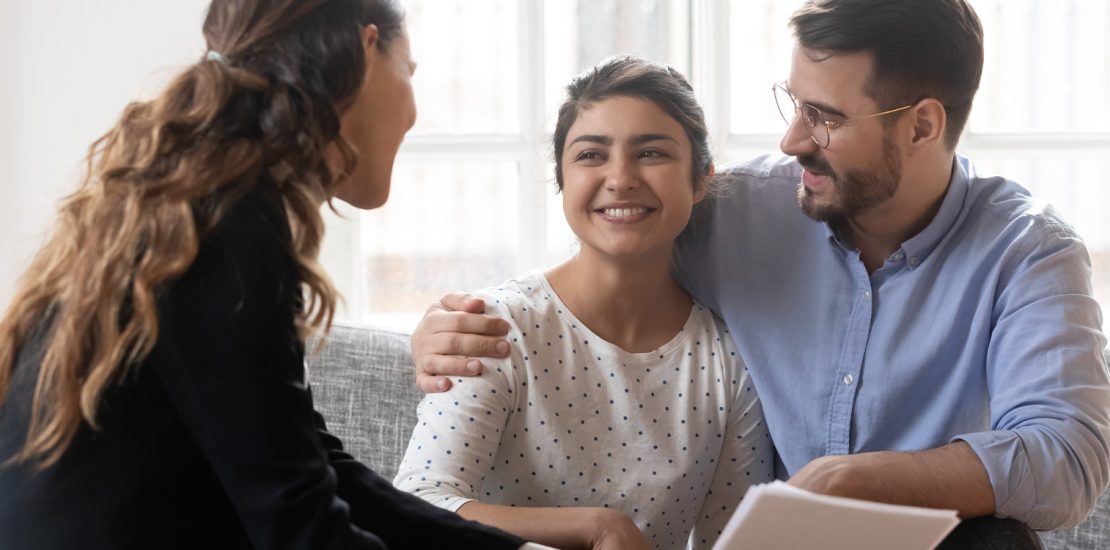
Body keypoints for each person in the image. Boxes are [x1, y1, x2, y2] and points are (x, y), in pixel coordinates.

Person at [408, 0, 1110, 545]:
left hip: (921, 542)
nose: (792, 139)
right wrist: (448, 325)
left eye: (825, 117)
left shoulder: (1028, 251)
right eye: (794, 103)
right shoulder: (734, 212)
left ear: (923, 127)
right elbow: (610, 245)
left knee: (998, 541)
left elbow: (1067, 458)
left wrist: (858, 480)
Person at [0, 0, 537, 548]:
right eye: (410, 73)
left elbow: (326, 476)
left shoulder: (204, 210)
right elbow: (301, 526)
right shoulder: (228, 229)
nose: (415, 112)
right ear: (365, 50)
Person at [392, 55, 774, 550]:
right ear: (562, 179)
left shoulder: (729, 363)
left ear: (701, 180)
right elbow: (417, 504)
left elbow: (732, 542)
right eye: (591, 155)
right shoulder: (497, 329)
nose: (620, 179)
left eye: (652, 153)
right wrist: (596, 527)